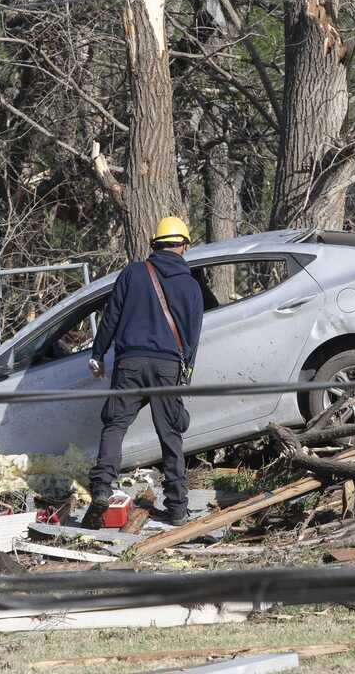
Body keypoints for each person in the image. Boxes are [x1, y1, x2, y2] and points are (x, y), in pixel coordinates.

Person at [83, 217, 204, 527]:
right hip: (167, 366)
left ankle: (101, 488)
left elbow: (111, 318)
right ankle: (177, 507)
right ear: (184, 246)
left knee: (115, 424)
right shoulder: (190, 284)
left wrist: (98, 354)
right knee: (170, 434)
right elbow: (192, 333)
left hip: (130, 363)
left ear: (154, 244)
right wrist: (185, 370)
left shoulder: (133, 272)